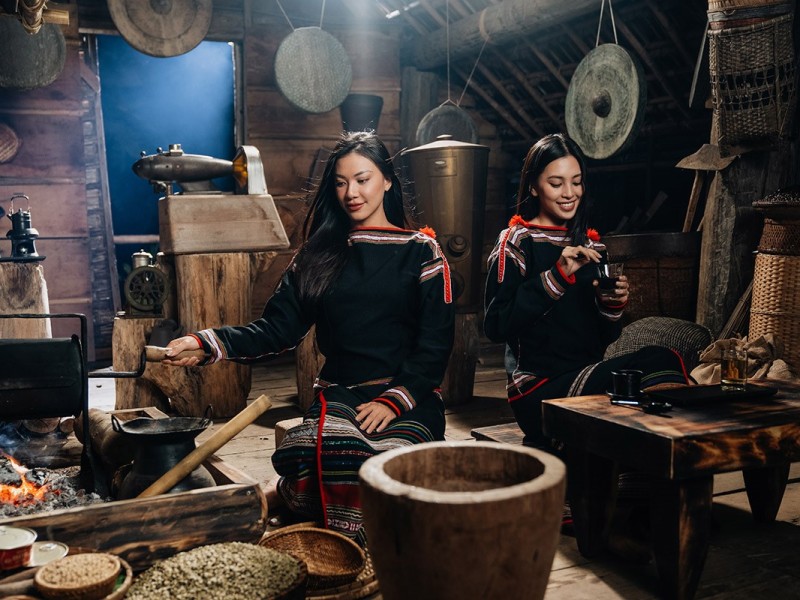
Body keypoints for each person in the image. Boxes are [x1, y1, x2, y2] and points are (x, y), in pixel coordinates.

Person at [162, 131, 455, 545]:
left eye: (363, 179)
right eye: (340, 182)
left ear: (388, 180)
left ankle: (288, 498)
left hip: (407, 396)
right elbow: (276, 331)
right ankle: (331, 517)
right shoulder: (318, 255)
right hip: (341, 395)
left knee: (391, 465)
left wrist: (394, 401)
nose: (351, 192)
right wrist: (208, 343)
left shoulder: (422, 252)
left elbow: (435, 345)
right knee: (332, 452)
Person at [484, 133, 690, 450]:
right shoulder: (517, 242)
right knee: (653, 368)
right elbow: (496, 325)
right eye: (556, 183)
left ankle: (673, 452)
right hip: (538, 389)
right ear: (534, 187)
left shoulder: (592, 245)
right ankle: (663, 454)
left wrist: (611, 307)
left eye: (576, 182)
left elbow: (603, 338)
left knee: (665, 358)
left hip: (588, 376)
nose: (570, 193)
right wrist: (558, 275)